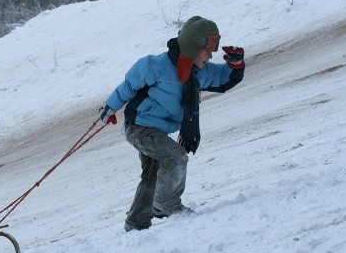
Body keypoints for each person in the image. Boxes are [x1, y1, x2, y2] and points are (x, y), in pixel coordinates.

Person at [98, 16, 245, 232]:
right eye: (207, 50)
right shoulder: (154, 66)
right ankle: (167, 206)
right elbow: (128, 86)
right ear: (193, 47)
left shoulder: (200, 73)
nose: (211, 55)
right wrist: (110, 107)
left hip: (158, 131)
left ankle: (136, 224)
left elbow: (223, 79)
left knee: (153, 174)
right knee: (175, 157)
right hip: (139, 127)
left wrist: (235, 65)